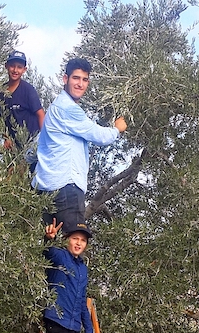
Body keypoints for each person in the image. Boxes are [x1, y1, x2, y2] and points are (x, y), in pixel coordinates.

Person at [32, 58, 127, 228]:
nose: (80, 84)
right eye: (76, 78)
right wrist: (117, 129)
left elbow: (35, 146)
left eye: (84, 80)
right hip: (66, 188)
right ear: (65, 79)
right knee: (73, 246)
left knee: (52, 248)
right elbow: (99, 135)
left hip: (45, 189)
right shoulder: (67, 109)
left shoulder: (54, 108)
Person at [0, 50, 45, 152]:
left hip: (30, 145)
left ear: (24, 69)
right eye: (12, 66)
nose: (15, 70)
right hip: (12, 148)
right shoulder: (1, 92)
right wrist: (6, 138)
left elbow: (40, 114)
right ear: (6, 66)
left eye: (19, 67)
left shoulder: (28, 90)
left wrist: (44, 141)